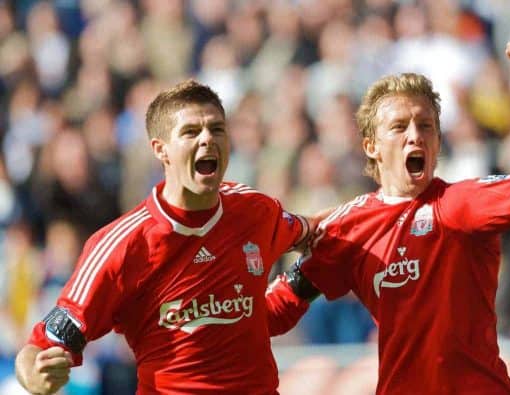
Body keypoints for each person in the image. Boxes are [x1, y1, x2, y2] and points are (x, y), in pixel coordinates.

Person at [273, 39, 510, 394]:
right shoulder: (348, 227)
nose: (415, 136)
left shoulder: (464, 202)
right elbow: (277, 311)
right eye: (399, 127)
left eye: (426, 126)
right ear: (371, 146)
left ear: (438, 142)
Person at [14, 80, 317, 395]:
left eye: (217, 129)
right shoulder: (123, 245)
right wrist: (37, 372)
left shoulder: (256, 211)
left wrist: (303, 282)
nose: (207, 140)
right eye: (191, 132)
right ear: (161, 149)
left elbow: (319, 236)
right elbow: (38, 347)